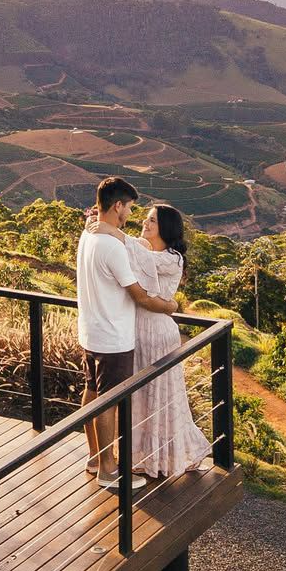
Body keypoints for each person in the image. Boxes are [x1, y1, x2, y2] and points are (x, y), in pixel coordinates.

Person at [89, 203, 210, 477]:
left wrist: (110, 229)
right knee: (139, 397)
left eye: (152, 220)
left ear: (166, 227)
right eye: (145, 218)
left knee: (159, 395)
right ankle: (138, 455)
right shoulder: (144, 249)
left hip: (157, 333)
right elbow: (132, 252)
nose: (145, 223)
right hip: (135, 330)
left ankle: (160, 456)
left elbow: (136, 256)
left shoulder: (172, 259)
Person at [76, 177, 179, 490]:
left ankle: (95, 458)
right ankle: (109, 470)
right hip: (113, 337)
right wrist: (170, 306)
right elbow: (141, 297)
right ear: (117, 205)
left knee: (92, 392)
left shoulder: (88, 236)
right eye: (130, 208)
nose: (131, 215)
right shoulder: (112, 247)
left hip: (90, 332)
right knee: (109, 402)